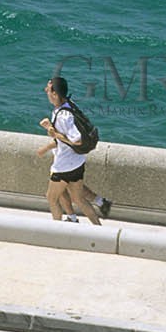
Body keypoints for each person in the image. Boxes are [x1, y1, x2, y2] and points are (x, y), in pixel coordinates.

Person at [36, 75, 111, 223]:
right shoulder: (69, 104)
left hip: (64, 166)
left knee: (51, 198)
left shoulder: (63, 116)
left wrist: (54, 132)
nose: (45, 91)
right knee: (79, 199)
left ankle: (58, 231)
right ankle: (98, 229)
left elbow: (77, 139)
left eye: (48, 89)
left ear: (55, 94)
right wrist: (49, 145)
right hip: (77, 162)